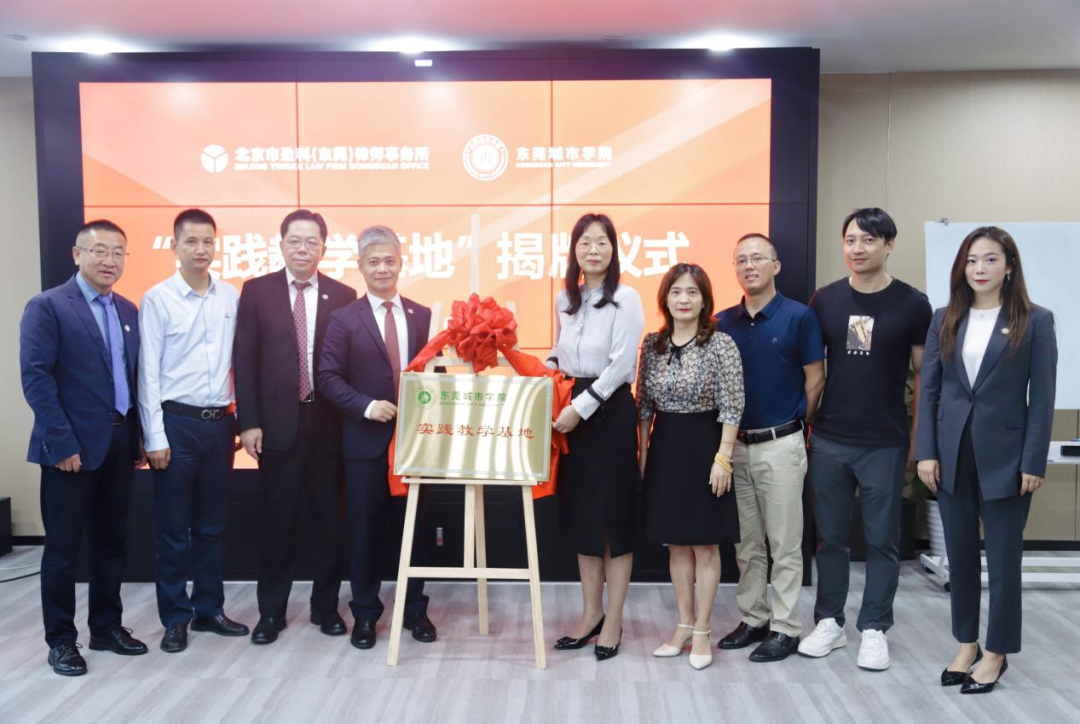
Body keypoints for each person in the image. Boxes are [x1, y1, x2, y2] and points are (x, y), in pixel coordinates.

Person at [916, 227, 1056, 694]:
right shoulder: (945, 318)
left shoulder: (1035, 320)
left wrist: (1033, 460)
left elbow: (1042, 399)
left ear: (1009, 266)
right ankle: (966, 644)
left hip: (1008, 459)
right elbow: (929, 390)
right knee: (959, 557)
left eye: (991, 259)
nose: (980, 269)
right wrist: (926, 451)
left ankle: (996, 653)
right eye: (972, 260)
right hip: (951, 454)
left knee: (1003, 560)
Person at [799, 207, 932, 670]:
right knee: (830, 538)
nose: (858, 249)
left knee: (881, 540)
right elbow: (811, 371)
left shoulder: (913, 304)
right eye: (851, 239)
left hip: (885, 441)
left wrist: (918, 441)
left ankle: (874, 627)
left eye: (869, 240)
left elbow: (924, 377)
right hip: (830, 437)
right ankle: (829, 622)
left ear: (889, 245)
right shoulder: (825, 300)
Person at [21, 220, 148, 676]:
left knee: (111, 543)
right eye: (99, 251)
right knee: (62, 550)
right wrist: (61, 442)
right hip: (69, 449)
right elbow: (36, 378)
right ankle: (60, 640)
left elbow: (132, 378)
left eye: (118, 252)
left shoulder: (128, 309)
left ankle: (106, 628)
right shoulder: (49, 306)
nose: (109, 261)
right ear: (77, 254)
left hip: (119, 442)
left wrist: (136, 438)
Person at [234, 210, 357, 644]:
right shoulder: (257, 290)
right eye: (295, 241)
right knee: (277, 521)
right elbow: (244, 360)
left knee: (329, 521)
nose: (303, 249)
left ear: (324, 248)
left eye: (312, 242)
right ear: (281, 244)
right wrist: (249, 422)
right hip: (276, 425)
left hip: (328, 423)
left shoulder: (343, 294)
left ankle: (326, 608)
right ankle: (271, 613)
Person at [318, 224, 437, 650]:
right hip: (364, 444)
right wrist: (367, 406)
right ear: (361, 266)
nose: (382, 268)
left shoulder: (422, 315)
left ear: (401, 263)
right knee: (364, 533)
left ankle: (415, 609)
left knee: (415, 531)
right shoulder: (344, 319)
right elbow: (327, 377)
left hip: (414, 443)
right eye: (374, 262)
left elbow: (434, 375)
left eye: (389, 260)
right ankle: (365, 614)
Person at [138, 208, 249, 653]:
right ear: (175, 246)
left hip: (219, 425)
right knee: (172, 529)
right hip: (176, 425)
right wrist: (154, 436)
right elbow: (148, 372)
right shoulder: (158, 298)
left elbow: (238, 362)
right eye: (191, 241)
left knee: (211, 526)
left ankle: (209, 609)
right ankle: (175, 617)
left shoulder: (230, 297)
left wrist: (240, 420)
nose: (200, 249)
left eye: (207, 241)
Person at [716, 233, 825, 663]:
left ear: (775, 266)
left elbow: (815, 379)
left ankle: (785, 627)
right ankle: (754, 617)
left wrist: (796, 426)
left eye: (757, 258)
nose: (749, 266)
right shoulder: (723, 322)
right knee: (747, 544)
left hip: (781, 444)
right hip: (736, 447)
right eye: (741, 260)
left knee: (784, 543)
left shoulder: (800, 317)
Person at [548, 212, 644, 661]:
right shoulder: (565, 299)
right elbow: (559, 350)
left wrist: (579, 409)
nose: (593, 250)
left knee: (614, 520)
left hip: (608, 413)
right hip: (572, 408)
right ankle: (590, 614)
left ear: (613, 249)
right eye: (584, 242)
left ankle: (615, 619)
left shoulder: (626, 298)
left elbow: (622, 366)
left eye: (601, 242)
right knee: (585, 517)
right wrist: (543, 373)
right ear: (574, 250)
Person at [638, 263, 743, 671]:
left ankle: (702, 630)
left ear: (705, 300)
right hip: (665, 447)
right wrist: (643, 456)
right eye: (676, 292)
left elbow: (732, 405)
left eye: (692, 292)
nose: (683, 299)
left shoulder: (721, 344)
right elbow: (643, 406)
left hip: (705, 447)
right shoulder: (652, 344)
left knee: (705, 543)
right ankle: (683, 624)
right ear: (665, 298)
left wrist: (723, 458)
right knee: (676, 543)